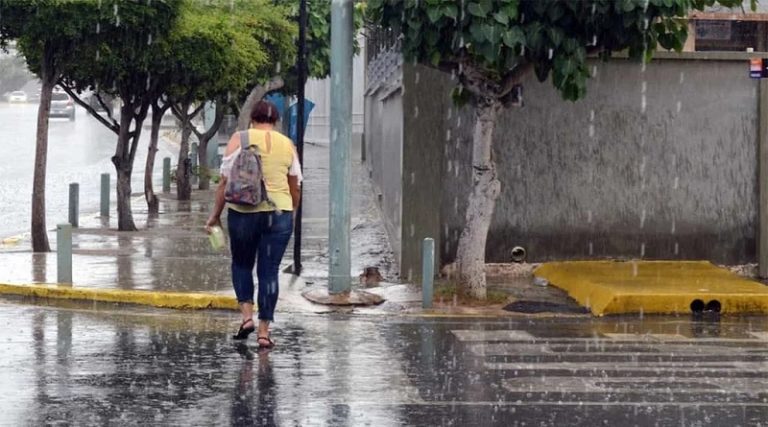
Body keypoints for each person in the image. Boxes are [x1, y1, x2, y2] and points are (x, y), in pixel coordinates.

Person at [206, 100, 302, 349]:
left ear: (253, 118)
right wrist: (291, 211)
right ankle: (263, 332)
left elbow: (223, 182)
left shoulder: (240, 138)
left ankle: (247, 317)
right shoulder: (287, 144)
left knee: (241, 264)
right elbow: (295, 185)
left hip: (243, 212)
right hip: (278, 213)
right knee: (269, 271)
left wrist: (215, 215)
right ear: (276, 120)